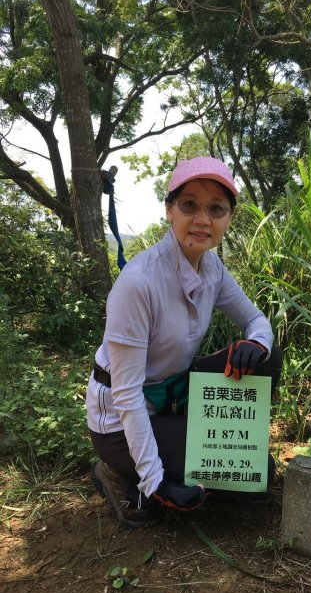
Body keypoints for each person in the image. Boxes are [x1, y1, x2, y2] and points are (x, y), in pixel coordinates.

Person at [86, 156, 282, 528]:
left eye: (216, 208)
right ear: (169, 209)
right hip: (119, 420)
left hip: (172, 392)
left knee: (257, 475)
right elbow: (126, 394)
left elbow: (256, 321)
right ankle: (118, 473)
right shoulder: (139, 282)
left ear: (228, 218)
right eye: (189, 204)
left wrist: (256, 342)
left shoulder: (212, 269)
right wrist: (156, 480)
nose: (202, 219)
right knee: (237, 481)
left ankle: (180, 449)